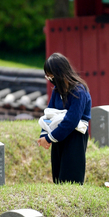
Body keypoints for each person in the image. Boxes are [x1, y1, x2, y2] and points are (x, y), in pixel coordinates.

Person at [37, 53, 92, 185]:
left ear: (60, 73)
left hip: (75, 136)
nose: (49, 79)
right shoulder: (57, 91)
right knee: (58, 174)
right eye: (47, 76)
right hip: (58, 135)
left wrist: (49, 138)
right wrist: (44, 135)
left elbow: (71, 121)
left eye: (51, 75)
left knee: (71, 177)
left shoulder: (79, 92)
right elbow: (48, 114)